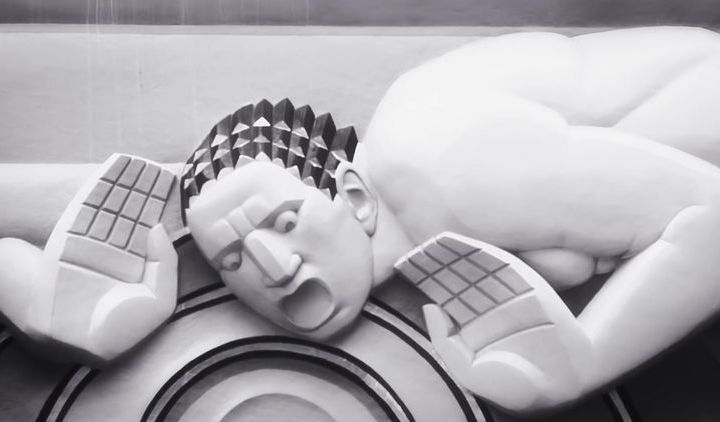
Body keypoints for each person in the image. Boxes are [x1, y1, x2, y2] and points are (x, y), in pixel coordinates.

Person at [2, 26, 720, 415]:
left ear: (354, 196)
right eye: (232, 261)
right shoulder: (417, 220)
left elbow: (710, 217)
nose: (274, 269)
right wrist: (50, 307)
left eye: (285, 222)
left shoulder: (440, 160)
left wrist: (588, 358)